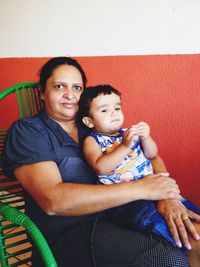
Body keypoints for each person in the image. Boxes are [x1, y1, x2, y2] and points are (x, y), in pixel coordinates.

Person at [2, 57, 200, 267]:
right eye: (59, 86)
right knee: (168, 259)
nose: (70, 95)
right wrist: (143, 189)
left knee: (194, 239)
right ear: (42, 92)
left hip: (121, 214)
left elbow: (150, 157)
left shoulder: (97, 125)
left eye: (77, 88)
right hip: (70, 233)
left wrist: (166, 197)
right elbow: (53, 201)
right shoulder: (29, 130)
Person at [78, 84, 200, 247]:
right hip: (125, 198)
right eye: (104, 110)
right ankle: (179, 243)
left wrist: (146, 138)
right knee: (150, 218)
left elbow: (152, 154)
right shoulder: (92, 140)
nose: (113, 113)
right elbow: (100, 167)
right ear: (89, 121)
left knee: (184, 206)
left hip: (153, 186)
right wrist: (124, 146)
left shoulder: (128, 133)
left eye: (117, 107)